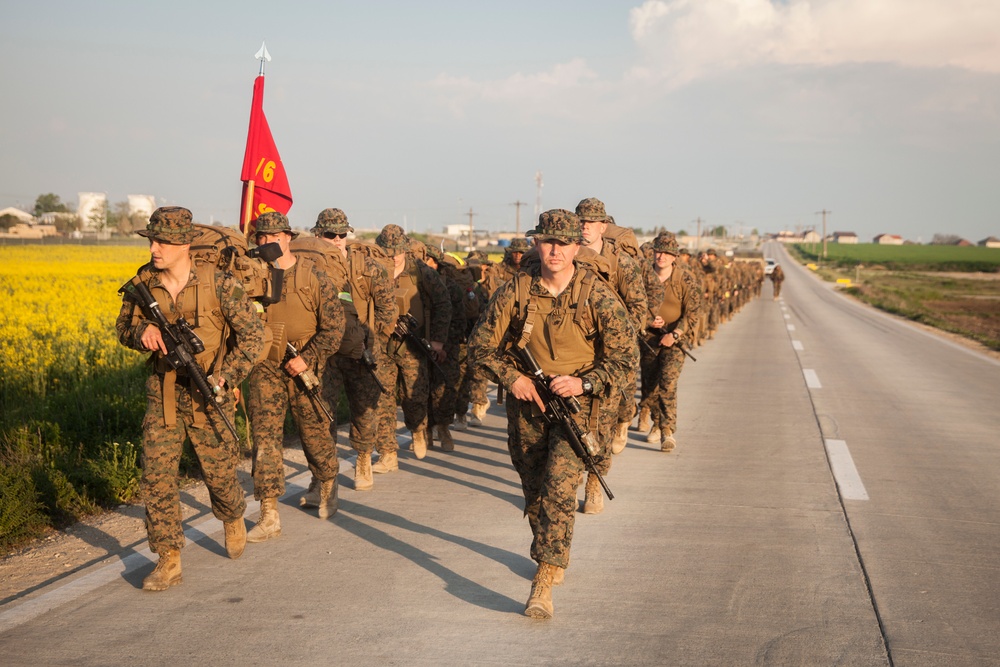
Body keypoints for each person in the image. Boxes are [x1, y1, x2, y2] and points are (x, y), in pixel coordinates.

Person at [469, 209, 637, 619]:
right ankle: (551, 549)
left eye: (563, 243)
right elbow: (479, 347)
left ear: (577, 247)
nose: (555, 250)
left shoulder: (597, 294)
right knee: (534, 492)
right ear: (536, 244)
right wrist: (513, 379)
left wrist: (585, 382)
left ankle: (543, 581)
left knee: (560, 491)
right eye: (547, 242)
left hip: (577, 408)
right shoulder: (516, 291)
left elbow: (626, 359)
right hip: (528, 406)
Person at [116, 206, 265, 591]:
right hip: (163, 394)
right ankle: (168, 559)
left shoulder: (221, 284)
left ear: (184, 243)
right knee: (157, 477)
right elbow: (123, 328)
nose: (154, 248)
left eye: (162, 241)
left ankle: (232, 514)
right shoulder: (144, 284)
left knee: (218, 474)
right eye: (151, 240)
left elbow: (253, 337)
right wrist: (142, 334)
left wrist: (226, 377)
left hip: (210, 394)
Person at [246, 211, 345, 542]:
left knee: (314, 434)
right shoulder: (251, 278)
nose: (266, 242)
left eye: (273, 236)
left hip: (304, 365)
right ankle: (269, 512)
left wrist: (308, 359)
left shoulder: (313, 276)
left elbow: (334, 328)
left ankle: (327, 482)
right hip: (264, 366)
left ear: (288, 237)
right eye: (260, 237)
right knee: (265, 439)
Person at [306, 208, 397, 492]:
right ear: (317, 235)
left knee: (364, 409)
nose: (335, 239)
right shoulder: (307, 265)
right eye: (329, 234)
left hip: (362, 352)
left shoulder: (368, 267)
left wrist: (371, 338)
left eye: (341, 234)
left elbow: (387, 308)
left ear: (347, 235)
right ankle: (323, 474)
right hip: (326, 353)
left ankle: (363, 458)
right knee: (322, 413)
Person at [574, 197, 648, 513]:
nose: (586, 226)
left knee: (600, 425)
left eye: (592, 221)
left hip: (606, 357)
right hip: (571, 353)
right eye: (581, 220)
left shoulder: (622, 264)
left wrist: (616, 338)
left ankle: (593, 483)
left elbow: (638, 308)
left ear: (604, 226)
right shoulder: (564, 256)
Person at [376, 224, 452, 466]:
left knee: (414, 396)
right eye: (386, 252)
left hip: (413, 345)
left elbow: (443, 304)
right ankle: (387, 452)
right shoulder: (373, 271)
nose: (391, 257)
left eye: (396, 252)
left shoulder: (422, 273)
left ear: (404, 251)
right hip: (382, 342)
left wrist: (437, 341)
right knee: (382, 397)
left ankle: (418, 429)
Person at [640, 232, 701, 452]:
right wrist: (648, 320)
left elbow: (693, 312)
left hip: (675, 340)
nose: (661, 256)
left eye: (667, 253)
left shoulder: (685, 279)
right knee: (650, 386)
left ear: (675, 256)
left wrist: (675, 334)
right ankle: (656, 422)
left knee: (668, 382)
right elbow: (634, 305)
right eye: (658, 251)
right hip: (648, 339)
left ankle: (667, 430)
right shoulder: (644, 277)